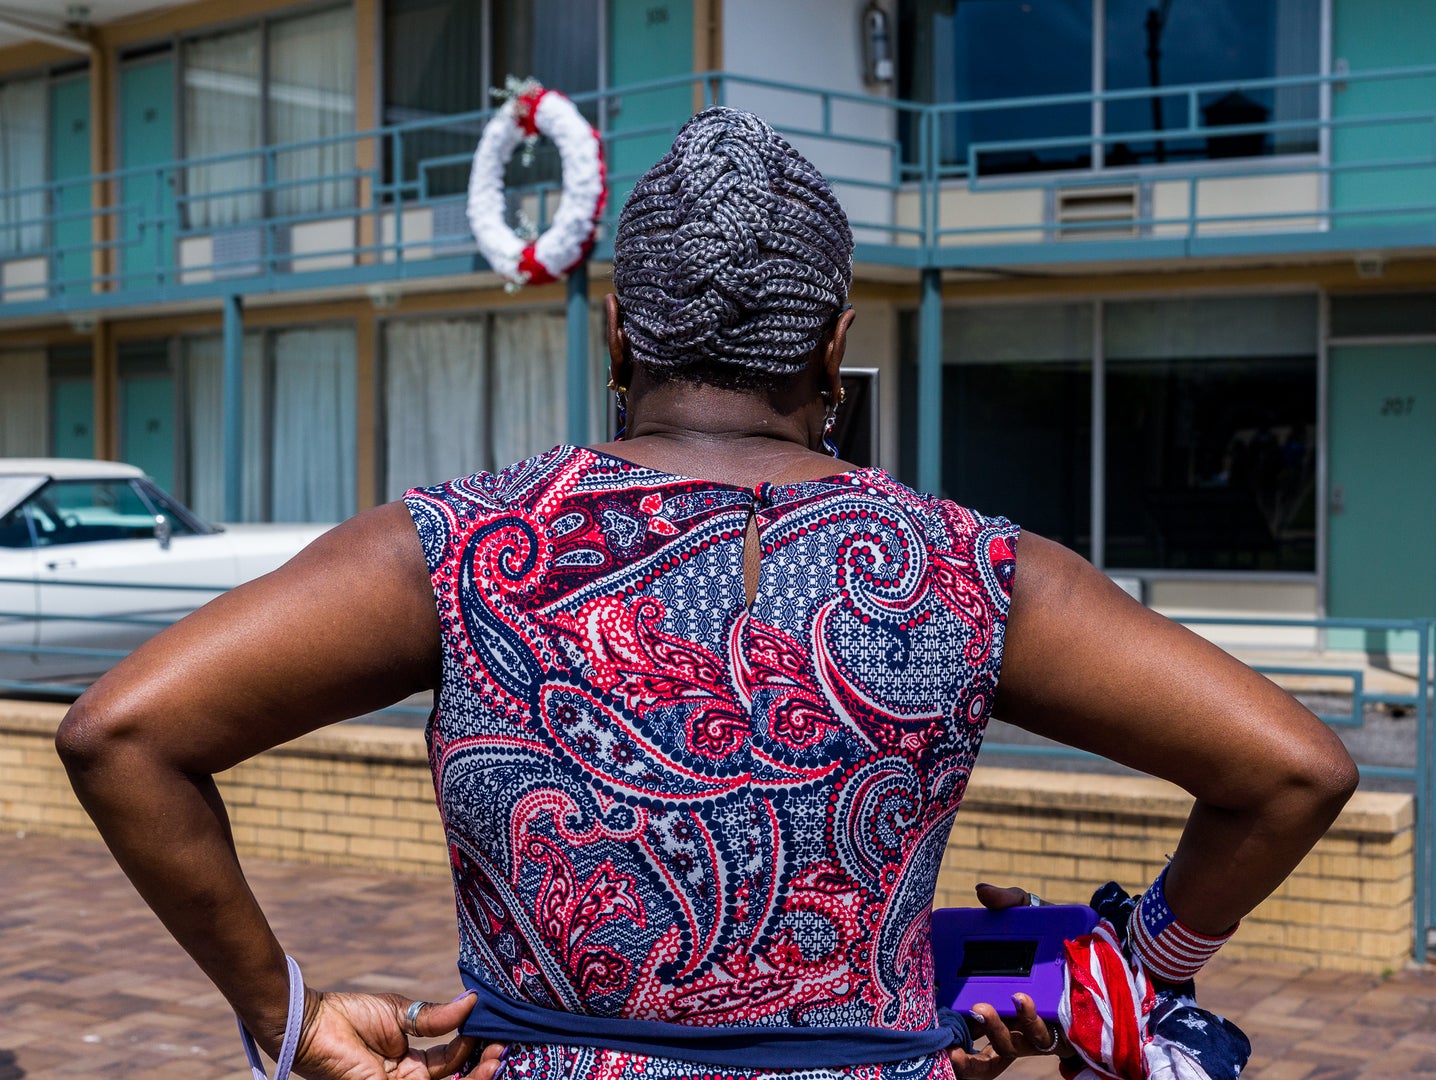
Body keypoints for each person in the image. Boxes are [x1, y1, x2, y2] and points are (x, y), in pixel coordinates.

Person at [57, 108, 1357, 1080]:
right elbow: (1293, 770)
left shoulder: (458, 548)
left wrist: (284, 1019)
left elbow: (125, 732)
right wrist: (1139, 964)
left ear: (622, 330)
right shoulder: (973, 569)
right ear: (837, 345)